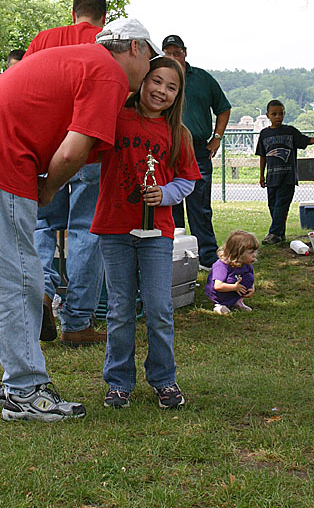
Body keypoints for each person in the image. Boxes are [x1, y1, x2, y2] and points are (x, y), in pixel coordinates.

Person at [0, 17, 160, 423]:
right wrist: (49, 187)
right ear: (135, 49)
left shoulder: (80, 57)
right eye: (150, 59)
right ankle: (25, 389)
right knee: (16, 278)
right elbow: (73, 152)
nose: (148, 73)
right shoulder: (108, 73)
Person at [90, 57, 200, 410]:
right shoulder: (115, 119)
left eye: (172, 87)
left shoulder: (178, 134)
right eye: (156, 81)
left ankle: (164, 380)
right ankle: (119, 382)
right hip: (114, 226)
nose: (162, 91)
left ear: (178, 95)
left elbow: (186, 180)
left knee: (159, 308)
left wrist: (165, 194)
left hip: (158, 233)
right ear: (142, 81)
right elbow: (87, 149)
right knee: (120, 308)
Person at [23, 0, 108, 346]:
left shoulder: (44, 39)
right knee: (86, 231)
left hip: (46, 147)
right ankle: (77, 323)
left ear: (73, 13)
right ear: (103, 17)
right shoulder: (107, 42)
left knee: (43, 225)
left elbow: (22, 84)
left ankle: (42, 294)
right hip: (91, 146)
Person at [162, 34, 231, 269]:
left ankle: (208, 256)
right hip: (167, 152)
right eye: (167, 53)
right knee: (170, 206)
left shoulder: (202, 79)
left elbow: (223, 108)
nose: (172, 57)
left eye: (176, 52)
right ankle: (173, 253)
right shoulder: (156, 78)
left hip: (198, 151)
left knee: (200, 206)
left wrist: (217, 138)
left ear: (185, 52)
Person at [256, 100, 314, 244]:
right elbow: (263, 156)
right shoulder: (264, 134)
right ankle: (280, 235)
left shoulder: (290, 131)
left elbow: (307, 141)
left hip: (287, 177)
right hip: (272, 178)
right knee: (273, 206)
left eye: (281, 113)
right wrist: (261, 175)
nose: (278, 117)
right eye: (274, 114)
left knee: (282, 205)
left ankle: (273, 234)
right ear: (268, 115)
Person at [205, 231, 259, 315]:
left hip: (235, 288)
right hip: (220, 294)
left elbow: (251, 279)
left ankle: (237, 302)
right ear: (238, 253)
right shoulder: (222, 266)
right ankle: (220, 305)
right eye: (251, 252)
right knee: (232, 279)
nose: (255, 255)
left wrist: (251, 288)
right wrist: (234, 287)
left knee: (248, 277)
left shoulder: (246, 264)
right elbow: (218, 286)